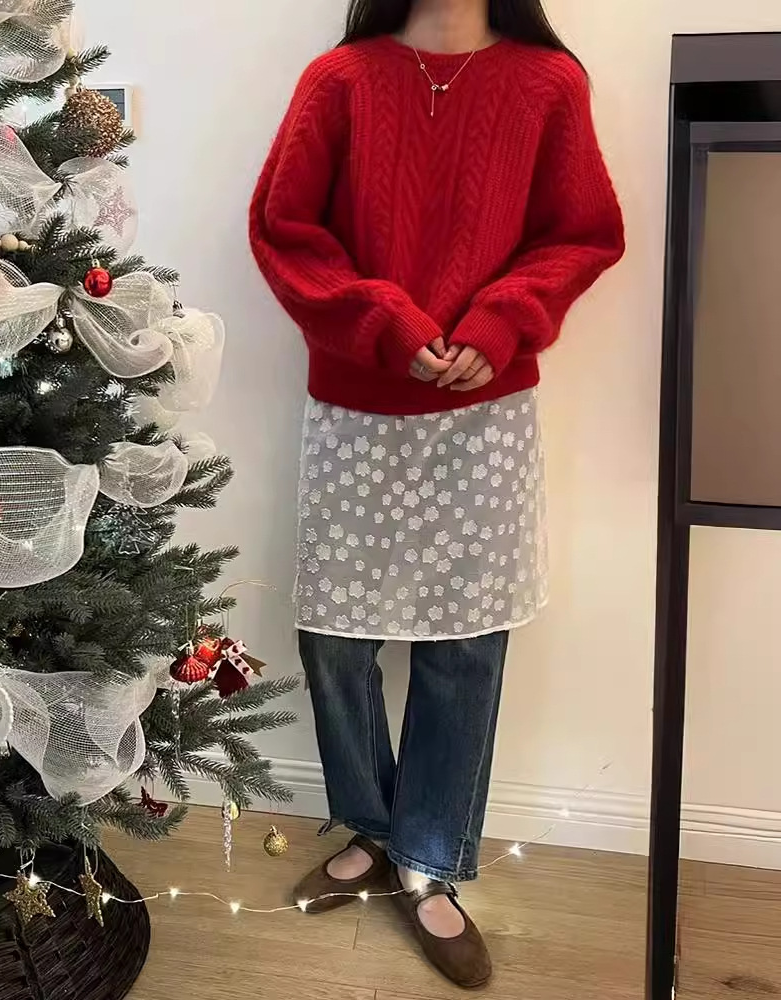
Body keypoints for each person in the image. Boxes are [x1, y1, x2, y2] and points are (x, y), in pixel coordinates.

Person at [249, 0, 624, 988]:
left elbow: (581, 234)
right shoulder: (339, 81)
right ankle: (372, 830)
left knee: (463, 644)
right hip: (356, 404)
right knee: (337, 638)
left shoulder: (548, 84)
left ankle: (427, 858)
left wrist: (502, 321)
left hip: (484, 412)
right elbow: (285, 231)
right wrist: (387, 323)